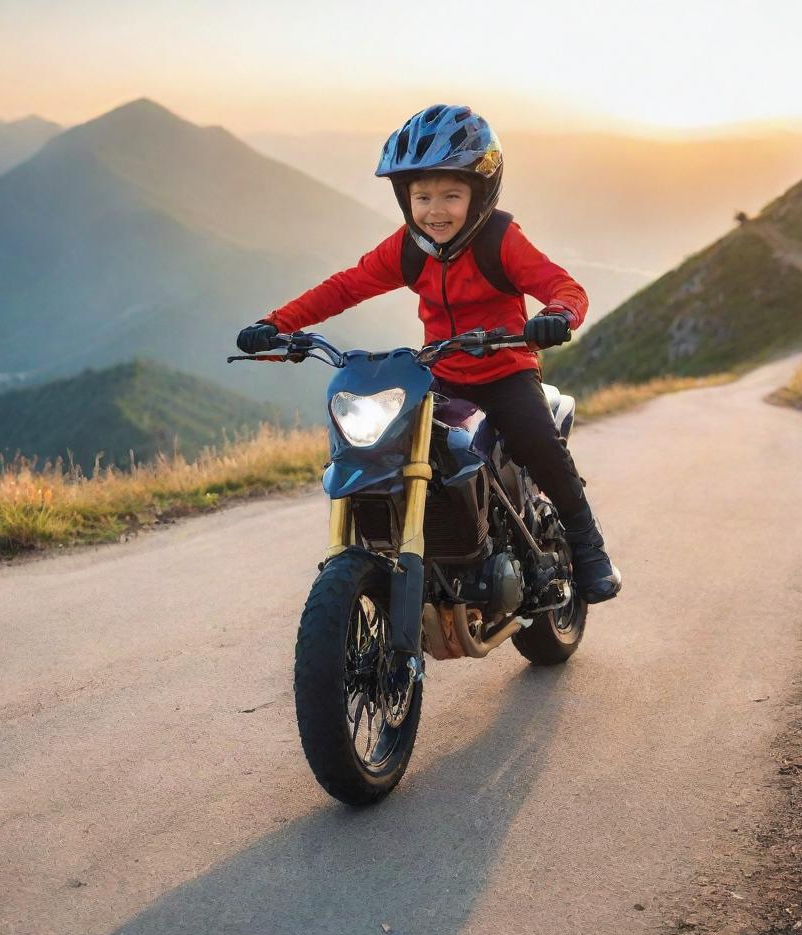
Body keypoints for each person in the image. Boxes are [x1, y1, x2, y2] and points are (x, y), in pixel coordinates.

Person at [237, 104, 621, 603]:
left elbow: (562, 285)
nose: (434, 210)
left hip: (505, 371)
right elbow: (344, 287)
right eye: (422, 196)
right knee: (389, 447)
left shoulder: (500, 239)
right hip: (439, 375)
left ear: (479, 194)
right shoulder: (410, 247)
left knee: (539, 444)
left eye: (451, 195)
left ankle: (589, 548)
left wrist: (557, 315)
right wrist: (276, 325)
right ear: (405, 199)